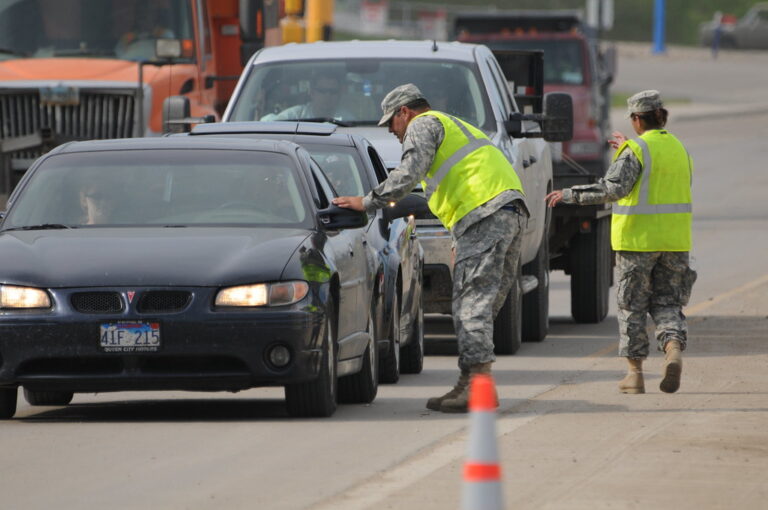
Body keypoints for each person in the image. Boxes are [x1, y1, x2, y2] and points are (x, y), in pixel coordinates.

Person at [333, 83, 528, 413]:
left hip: (486, 213)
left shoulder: (422, 125)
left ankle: (476, 388)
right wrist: (459, 238)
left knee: (471, 306)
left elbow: (409, 172)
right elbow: (462, 181)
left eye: (391, 124)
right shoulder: (453, 125)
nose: (394, 134)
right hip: (506, 211)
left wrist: (366, 202)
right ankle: (474, 384)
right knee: (481, 304)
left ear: (404, 112)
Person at [545, 90, 696, 395]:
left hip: (637, 243)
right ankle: (672, 348)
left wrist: (570, 195)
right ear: (661, 115)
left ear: (637, 119)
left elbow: (613, 189)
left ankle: (635, 374)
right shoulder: (679, 148)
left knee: (632, 307)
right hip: (676, 241)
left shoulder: (636, 150)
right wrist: (626, 150)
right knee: (668, 303)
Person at [262, 72, 353, 122]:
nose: (327, 95)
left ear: (339, 95)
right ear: (312, 93)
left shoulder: (347, 120)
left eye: (333, 92)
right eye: (322, 91)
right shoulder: (295, 116)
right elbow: (268, 123)